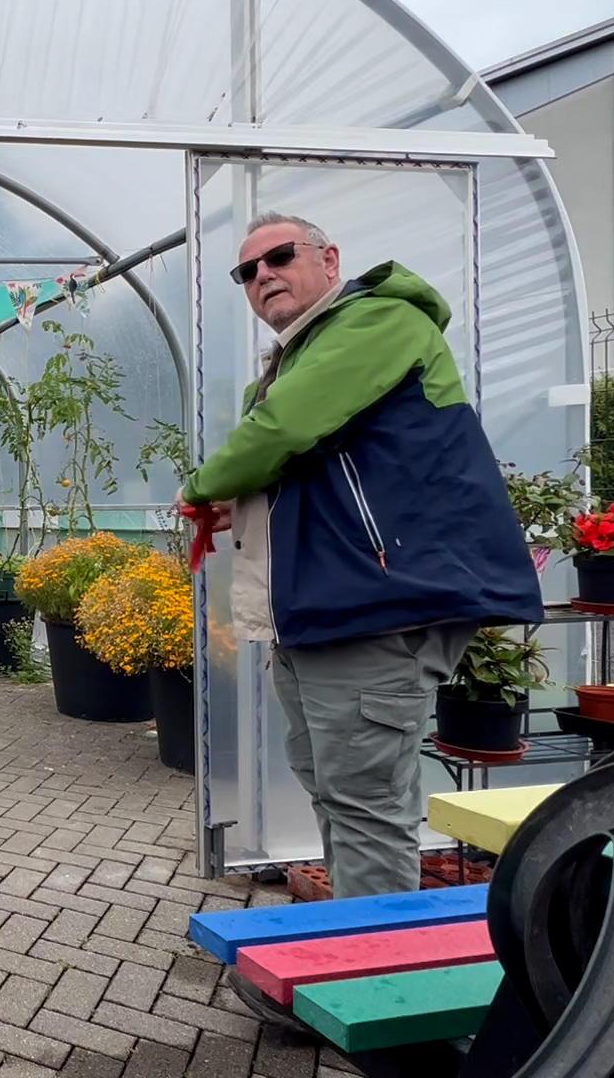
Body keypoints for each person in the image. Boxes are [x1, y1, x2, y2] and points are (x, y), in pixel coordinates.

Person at [178, 212, 542, 901]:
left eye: (279, 256)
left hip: (373, 609)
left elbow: (285, 425)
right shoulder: (308, 352)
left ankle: (385, 981)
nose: (263, 275)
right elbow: (323, 463)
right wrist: (243, 504)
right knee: (337, 795)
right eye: (246, 271)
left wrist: (200, 487)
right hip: (324, 614)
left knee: (367, 809)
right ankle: (351, 950)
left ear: (330, 259)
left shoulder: (377, 322)